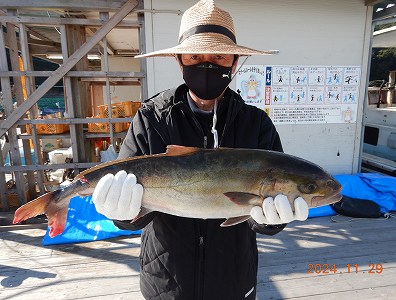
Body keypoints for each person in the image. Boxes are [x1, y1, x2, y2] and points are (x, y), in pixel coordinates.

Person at [92, 1, 309, 299]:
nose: (206, 65)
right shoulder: (152, 118)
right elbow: (132, 206)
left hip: (233, 277)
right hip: (166, 279)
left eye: (218, 57)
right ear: (180, 61)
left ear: (234, 63)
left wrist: (272, 221)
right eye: (195, 56)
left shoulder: (256, 124)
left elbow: (268, 210)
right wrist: (122, 213)